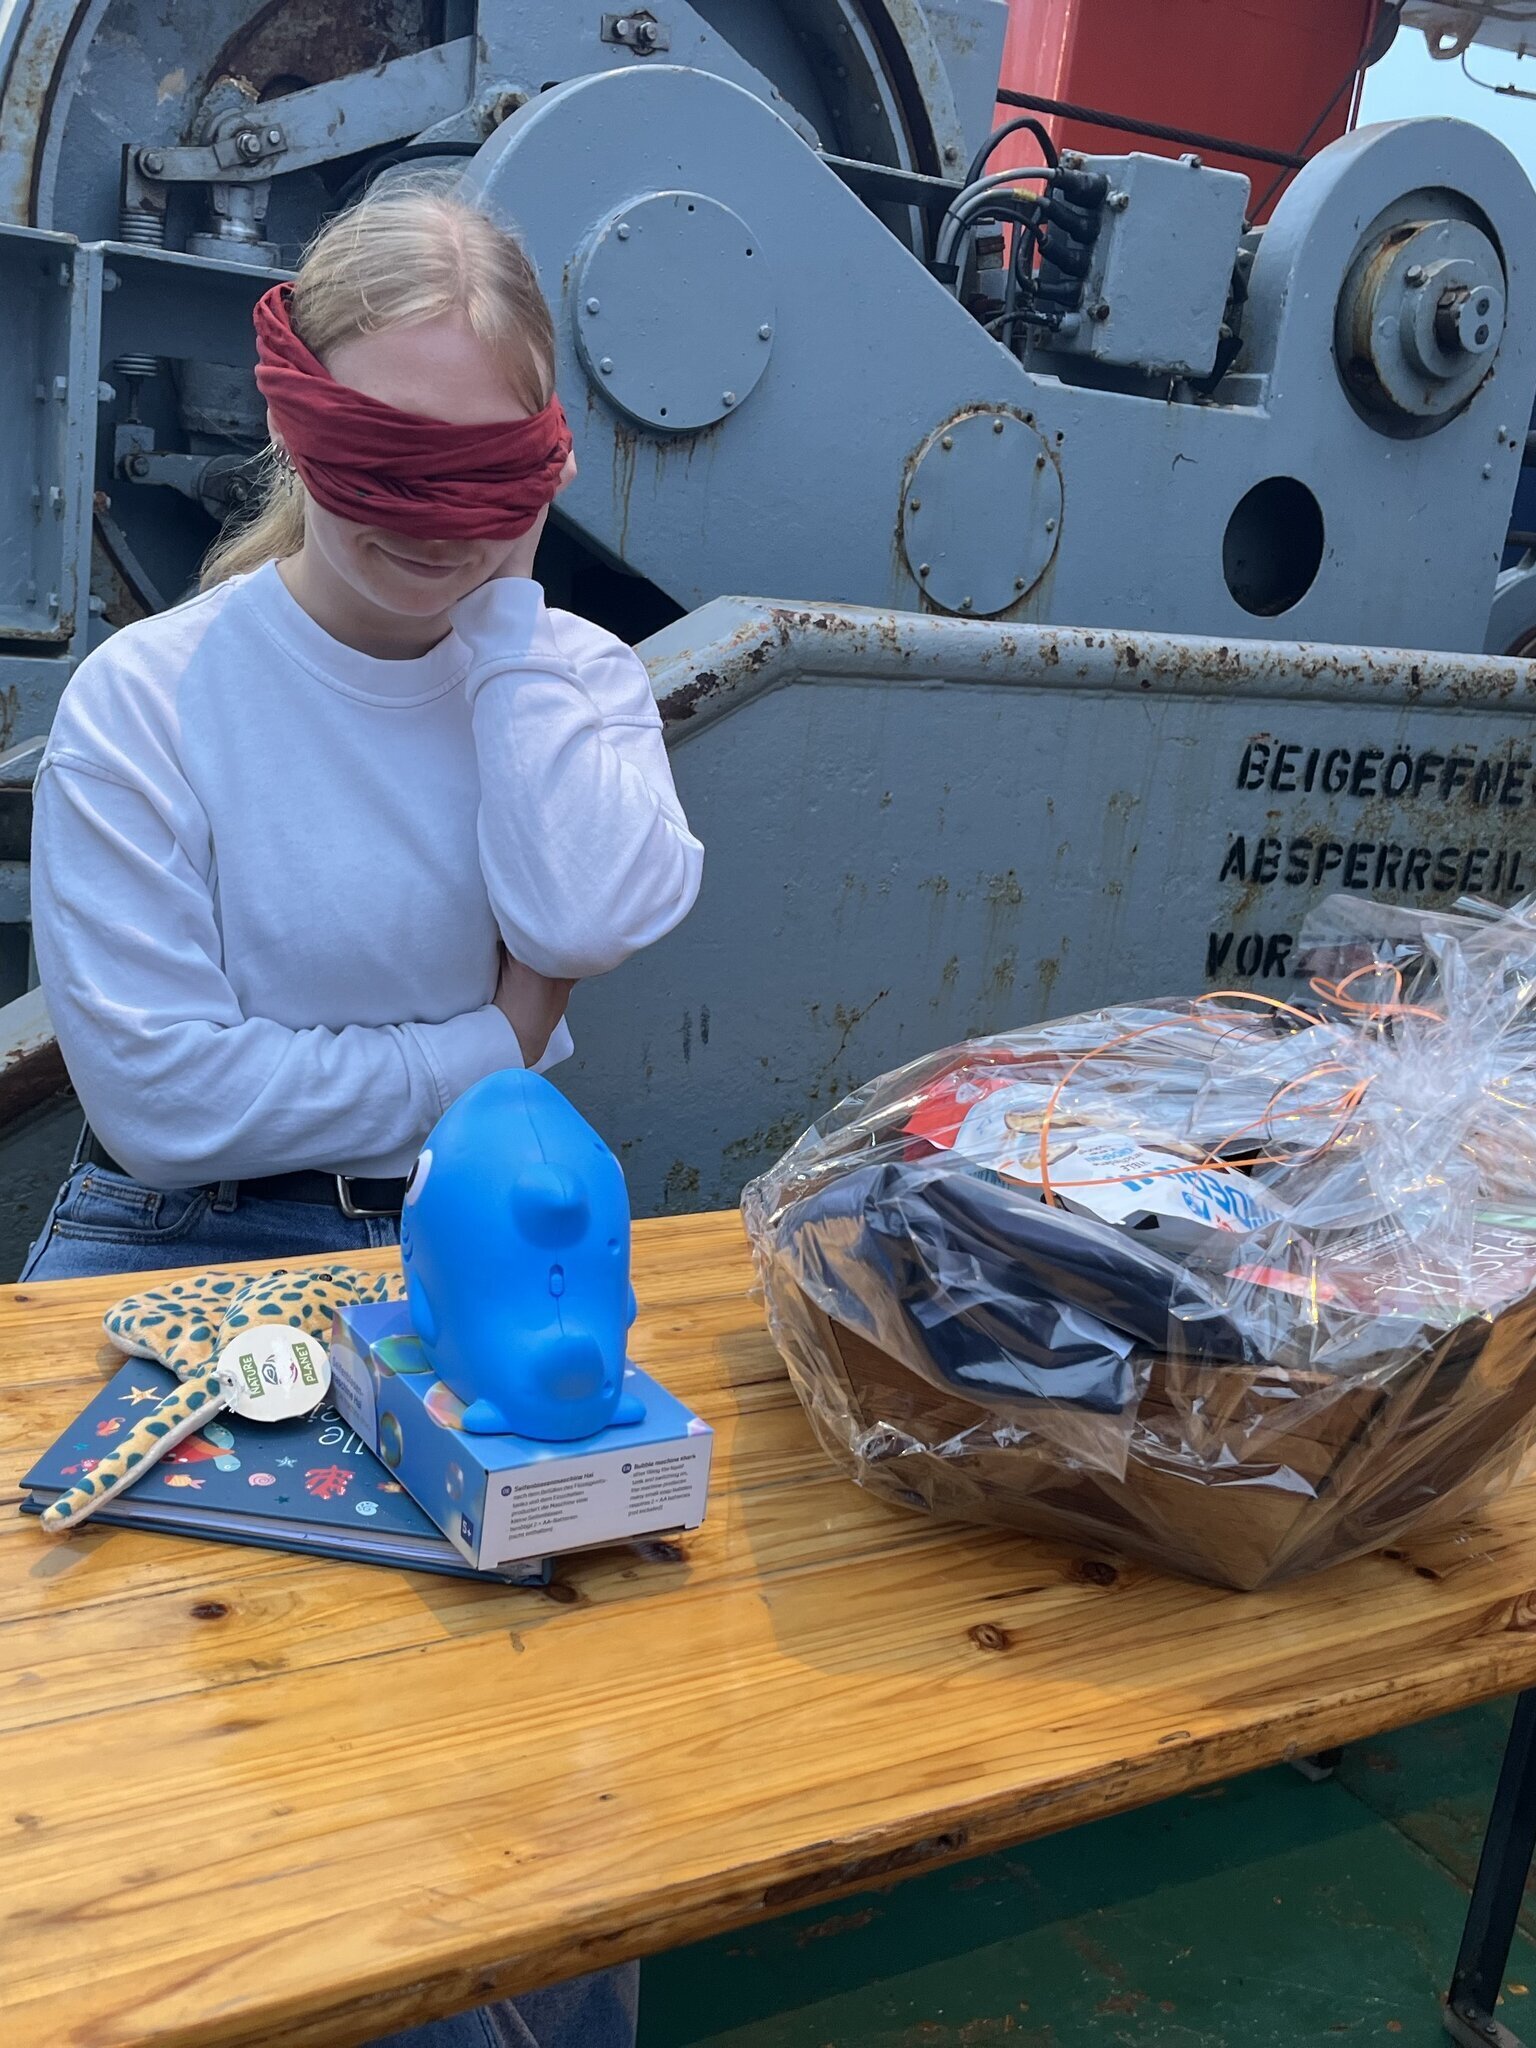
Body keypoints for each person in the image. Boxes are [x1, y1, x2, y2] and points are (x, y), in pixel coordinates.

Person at [23, 181, 703, 2048]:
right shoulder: (151, 702)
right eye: (380, 457)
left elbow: (587, 914)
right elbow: (167, 1104)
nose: (425, 518)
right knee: (190, 1819)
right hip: (183, 1254)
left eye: (481, 470)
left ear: (548, 461)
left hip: (476, 1248)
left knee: (558, 1819)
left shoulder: (572, 687)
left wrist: (517, 639)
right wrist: (491, 1040)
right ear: (290, 416)